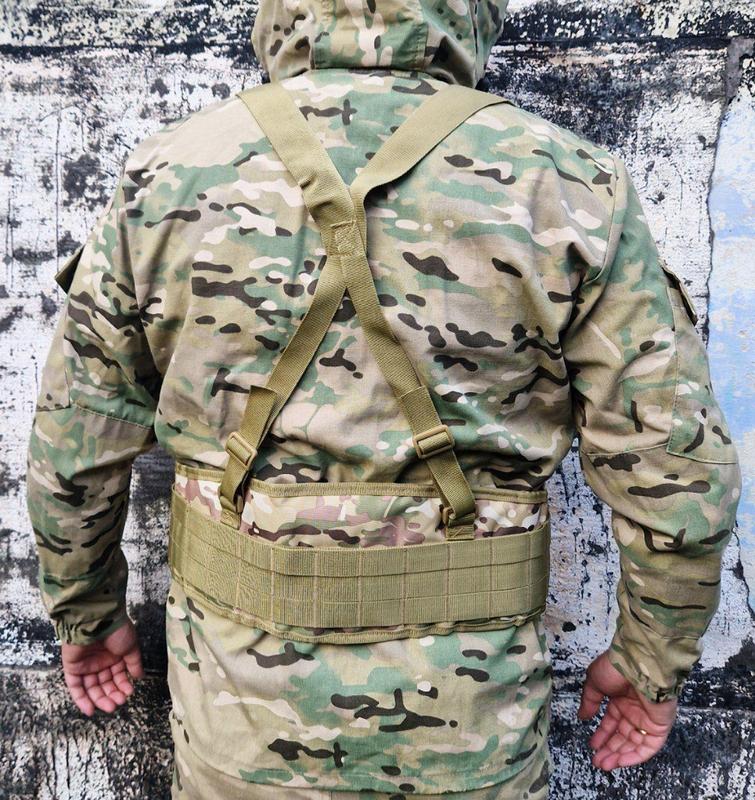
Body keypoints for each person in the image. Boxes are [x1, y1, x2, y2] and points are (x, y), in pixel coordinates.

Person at [26, 1, 742, 798]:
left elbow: (74, 443)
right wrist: (650, 661)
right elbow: (673, 468)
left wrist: (88, 615)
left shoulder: (165, 174)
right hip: (472, 735)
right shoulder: (568, 182)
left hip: (238, 729)